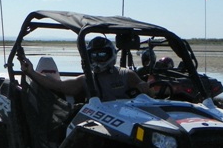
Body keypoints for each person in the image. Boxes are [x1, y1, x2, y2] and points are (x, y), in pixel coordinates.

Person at [20, 36, 151, 101]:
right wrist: (30, 72)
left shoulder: (126, 74)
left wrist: (145, 87)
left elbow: (148, 95)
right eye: (94, 55)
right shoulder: (86, 80)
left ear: (111, 54)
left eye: (102, 54)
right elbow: (58, 85)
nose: (98, 59)